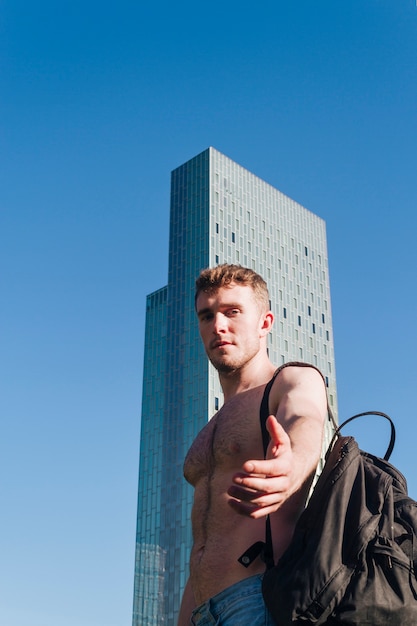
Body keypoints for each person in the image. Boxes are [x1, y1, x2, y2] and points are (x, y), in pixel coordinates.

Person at [177, 264, 328, 626]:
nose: (218, 326)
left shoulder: (291, 380)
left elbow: (304, 421)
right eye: (207, 315)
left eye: (232, 312)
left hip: (257, 600)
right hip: (201, 612)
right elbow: (204, 539)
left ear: (264, 322)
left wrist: (288, 467)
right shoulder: (211, 426)